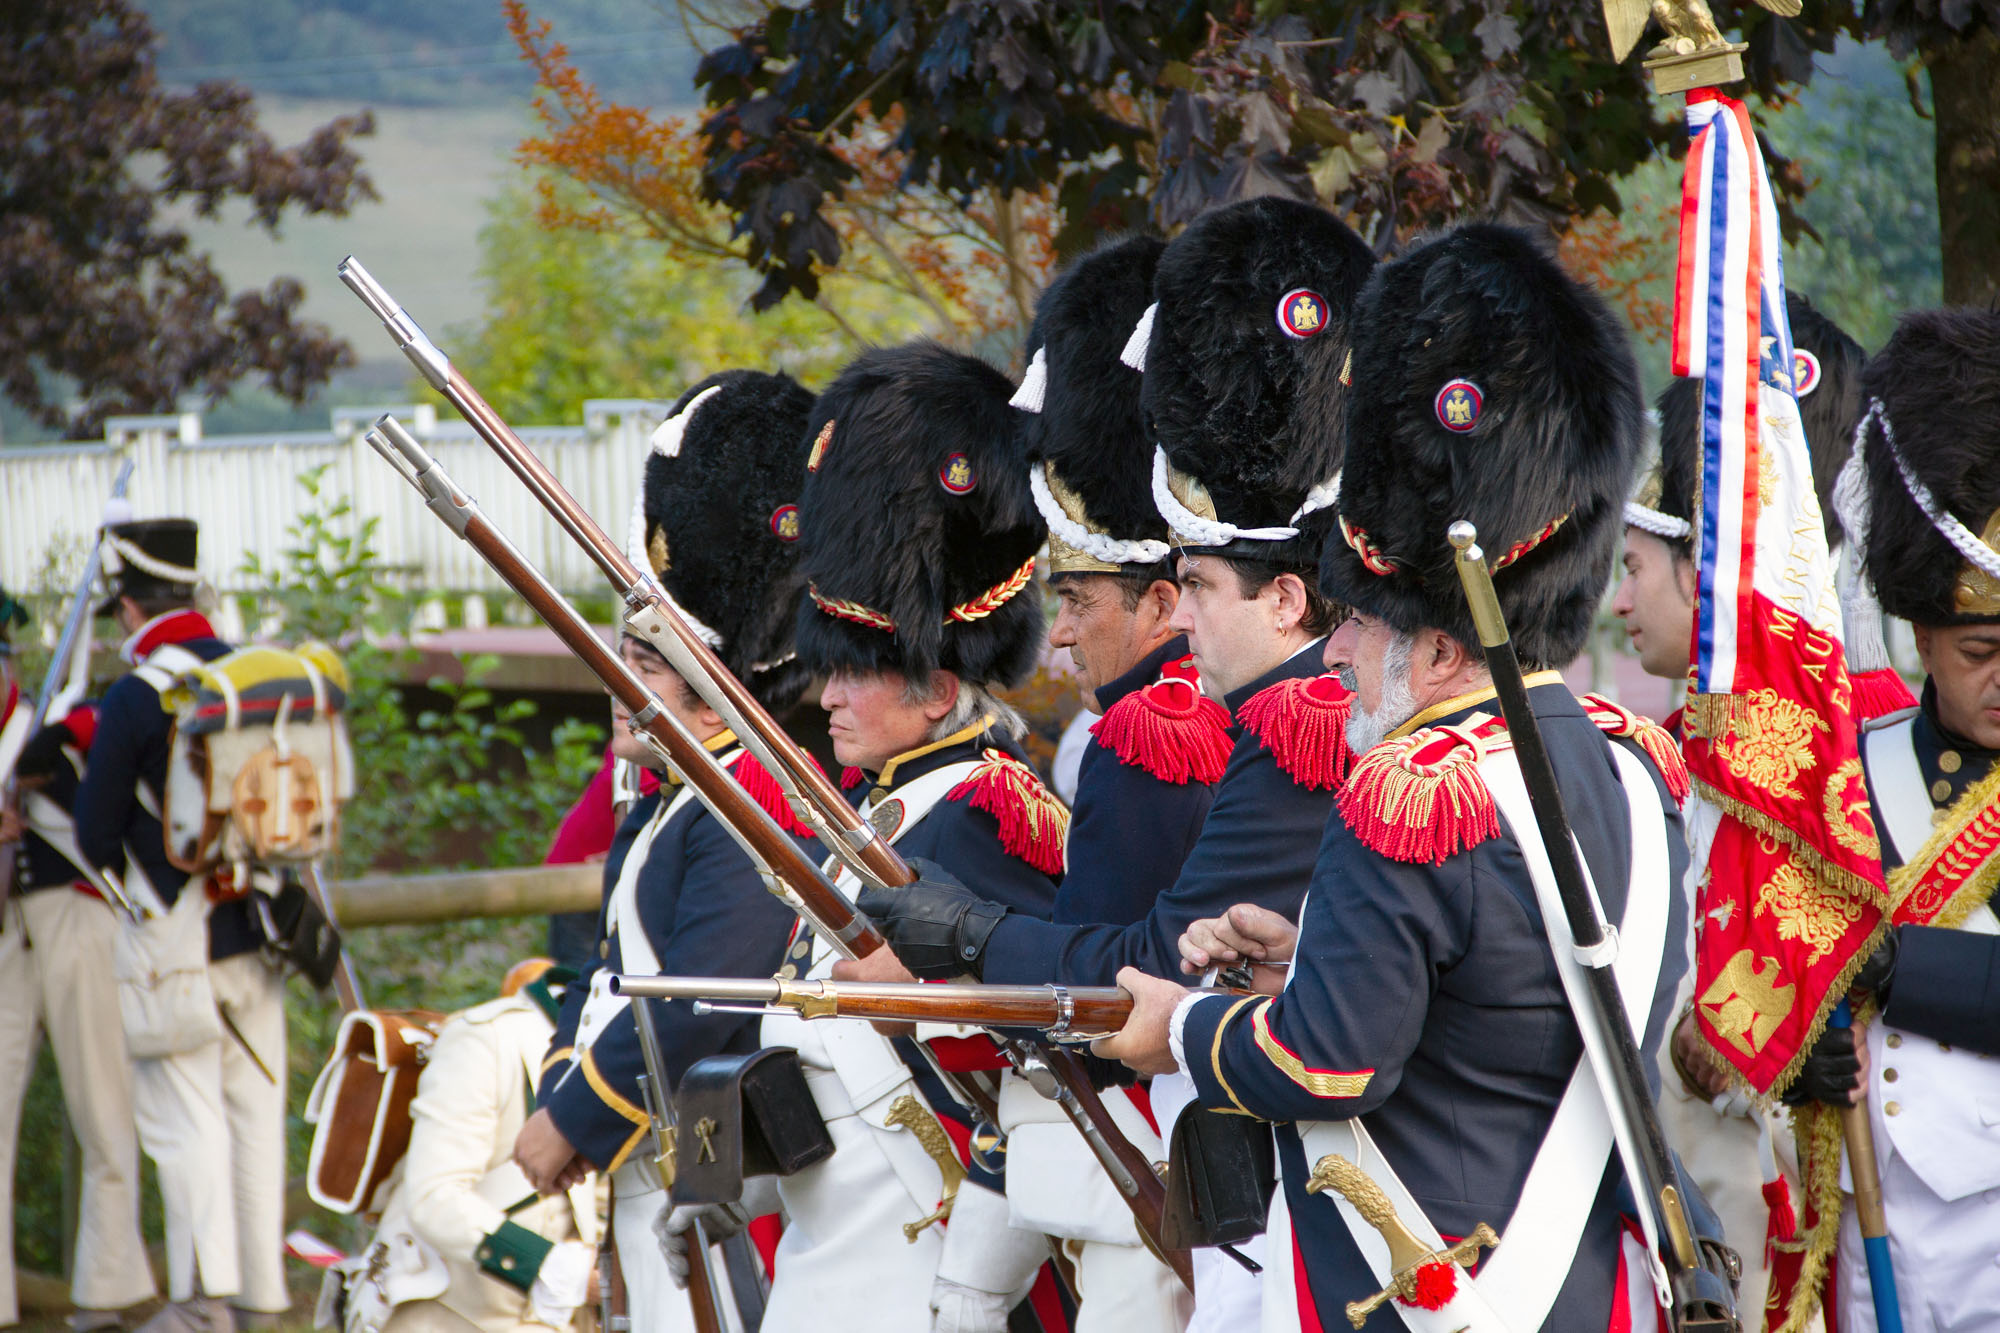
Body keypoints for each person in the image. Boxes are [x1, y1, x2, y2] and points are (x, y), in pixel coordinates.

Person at [1100, 224, 1699, 1329]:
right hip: (1587, 1287)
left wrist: (1180, 1024)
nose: (1332, 651)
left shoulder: (1410, 790)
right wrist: (1310, 954)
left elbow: (1326, 1066)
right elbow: (1504, 996)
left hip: (1428, 1291)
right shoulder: (1630, 760)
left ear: (1435, 647)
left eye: (1360, 624)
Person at [856, 196, 1374, 1333]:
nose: (1179, 619)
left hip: (1219, 1146)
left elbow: (1144, 959)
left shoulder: (1271, 727)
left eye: (1192, 589)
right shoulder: (1268, 716)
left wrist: (977, 938)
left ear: (1282, 596)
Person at [693, 341, 1066, 1333]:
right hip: (837, 1232)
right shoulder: (882, 806)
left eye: (857, 669)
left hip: (932, 1230)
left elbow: (1026, 1052)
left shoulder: (993, 810)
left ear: (937, 687)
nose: (829, 692)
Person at [514, 371, 820, 1333]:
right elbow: (607, 972)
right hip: (651, 1142)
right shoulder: (670, 800)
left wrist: (572, 1116)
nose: (619, 683)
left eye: (644, 665)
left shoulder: (744, 804)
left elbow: (699, 999)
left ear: (706, 687)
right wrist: (566, 1086)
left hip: (715, 1157)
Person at [1614, 293, 1877, 1325]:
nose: (1620, 601)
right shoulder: (1684, 743)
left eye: (1635, 569)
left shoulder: (1854, 740)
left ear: (1706, 571)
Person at [1782, 307, 2000, 1333]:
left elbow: (1865, 957)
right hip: (1877, 1249)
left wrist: (1887, 965)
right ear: (1920, 631)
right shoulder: (1847, 781)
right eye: (1979, 648)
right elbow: (1743, 991)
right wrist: (1792, 1056)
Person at [70, 520, 286, 1333]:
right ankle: (262, 1300)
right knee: (253, 1119)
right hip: (259, 928)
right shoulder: (253, 676)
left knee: (183, 1124)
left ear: (128, 607)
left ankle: (202, 1305)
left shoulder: (135, 694)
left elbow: (94, 835)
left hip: (174, 940)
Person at [0, 588, 157, 1333]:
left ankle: (106, 1288)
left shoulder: (56, 724)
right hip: (6, 934)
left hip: (70, 914)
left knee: (104, 1105)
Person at [335, 960, 596, 1333]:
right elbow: (435, 1197)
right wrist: (558, 1270)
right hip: (446, 1316)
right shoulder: (485, 1039)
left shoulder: (626, 1057)